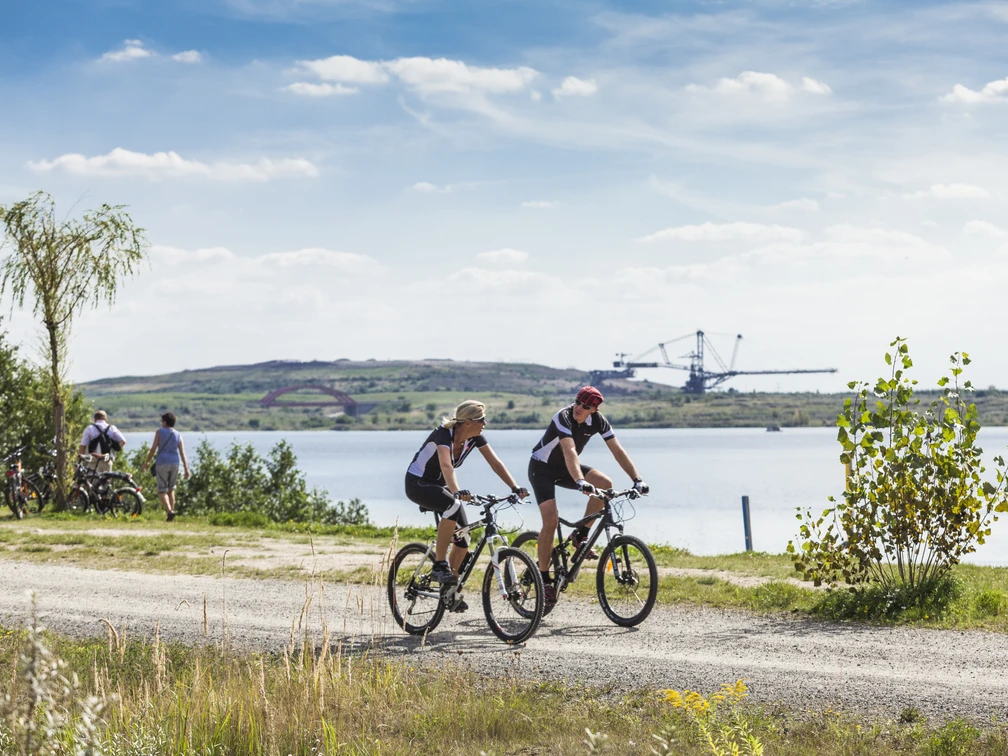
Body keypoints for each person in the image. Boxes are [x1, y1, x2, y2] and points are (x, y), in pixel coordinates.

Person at [528, 386, 648, 606]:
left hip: (565, 469)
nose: (578, 408)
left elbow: (618, 451)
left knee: (605, 485)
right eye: (577, 402)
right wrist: (580, 481)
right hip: (542, 469)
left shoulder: (599, 421)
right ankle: (544, 581)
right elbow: (569, 451)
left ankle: (580, 535)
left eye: (585, 406)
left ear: (594, 409)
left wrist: (637, 479)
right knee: (551, 521)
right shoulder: (563, 416)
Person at [405, 399, 528, 611]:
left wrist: (515, 487)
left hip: (441, 486)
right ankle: (439, 565)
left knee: (463, 539)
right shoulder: (443, 434)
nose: (485, 423)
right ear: (468, 422)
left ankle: (449, 591)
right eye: (482, 419)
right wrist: (456, 491)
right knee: (452, 504)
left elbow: (496, 463)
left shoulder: (475, 437)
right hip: (418, 483)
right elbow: (445, 464)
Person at [140, 412, 191, 521]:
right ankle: (171, 515)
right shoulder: (178, 435)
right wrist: (186, 468)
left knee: (162, 490)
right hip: (175, 463)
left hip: (162, 462)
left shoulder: (159, 432)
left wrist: (146, 462)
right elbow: (182, 452)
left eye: (162, 421)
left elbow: (153, 449)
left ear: (165, 422)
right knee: (171, 489)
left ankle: (169, 511)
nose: (161, 423)